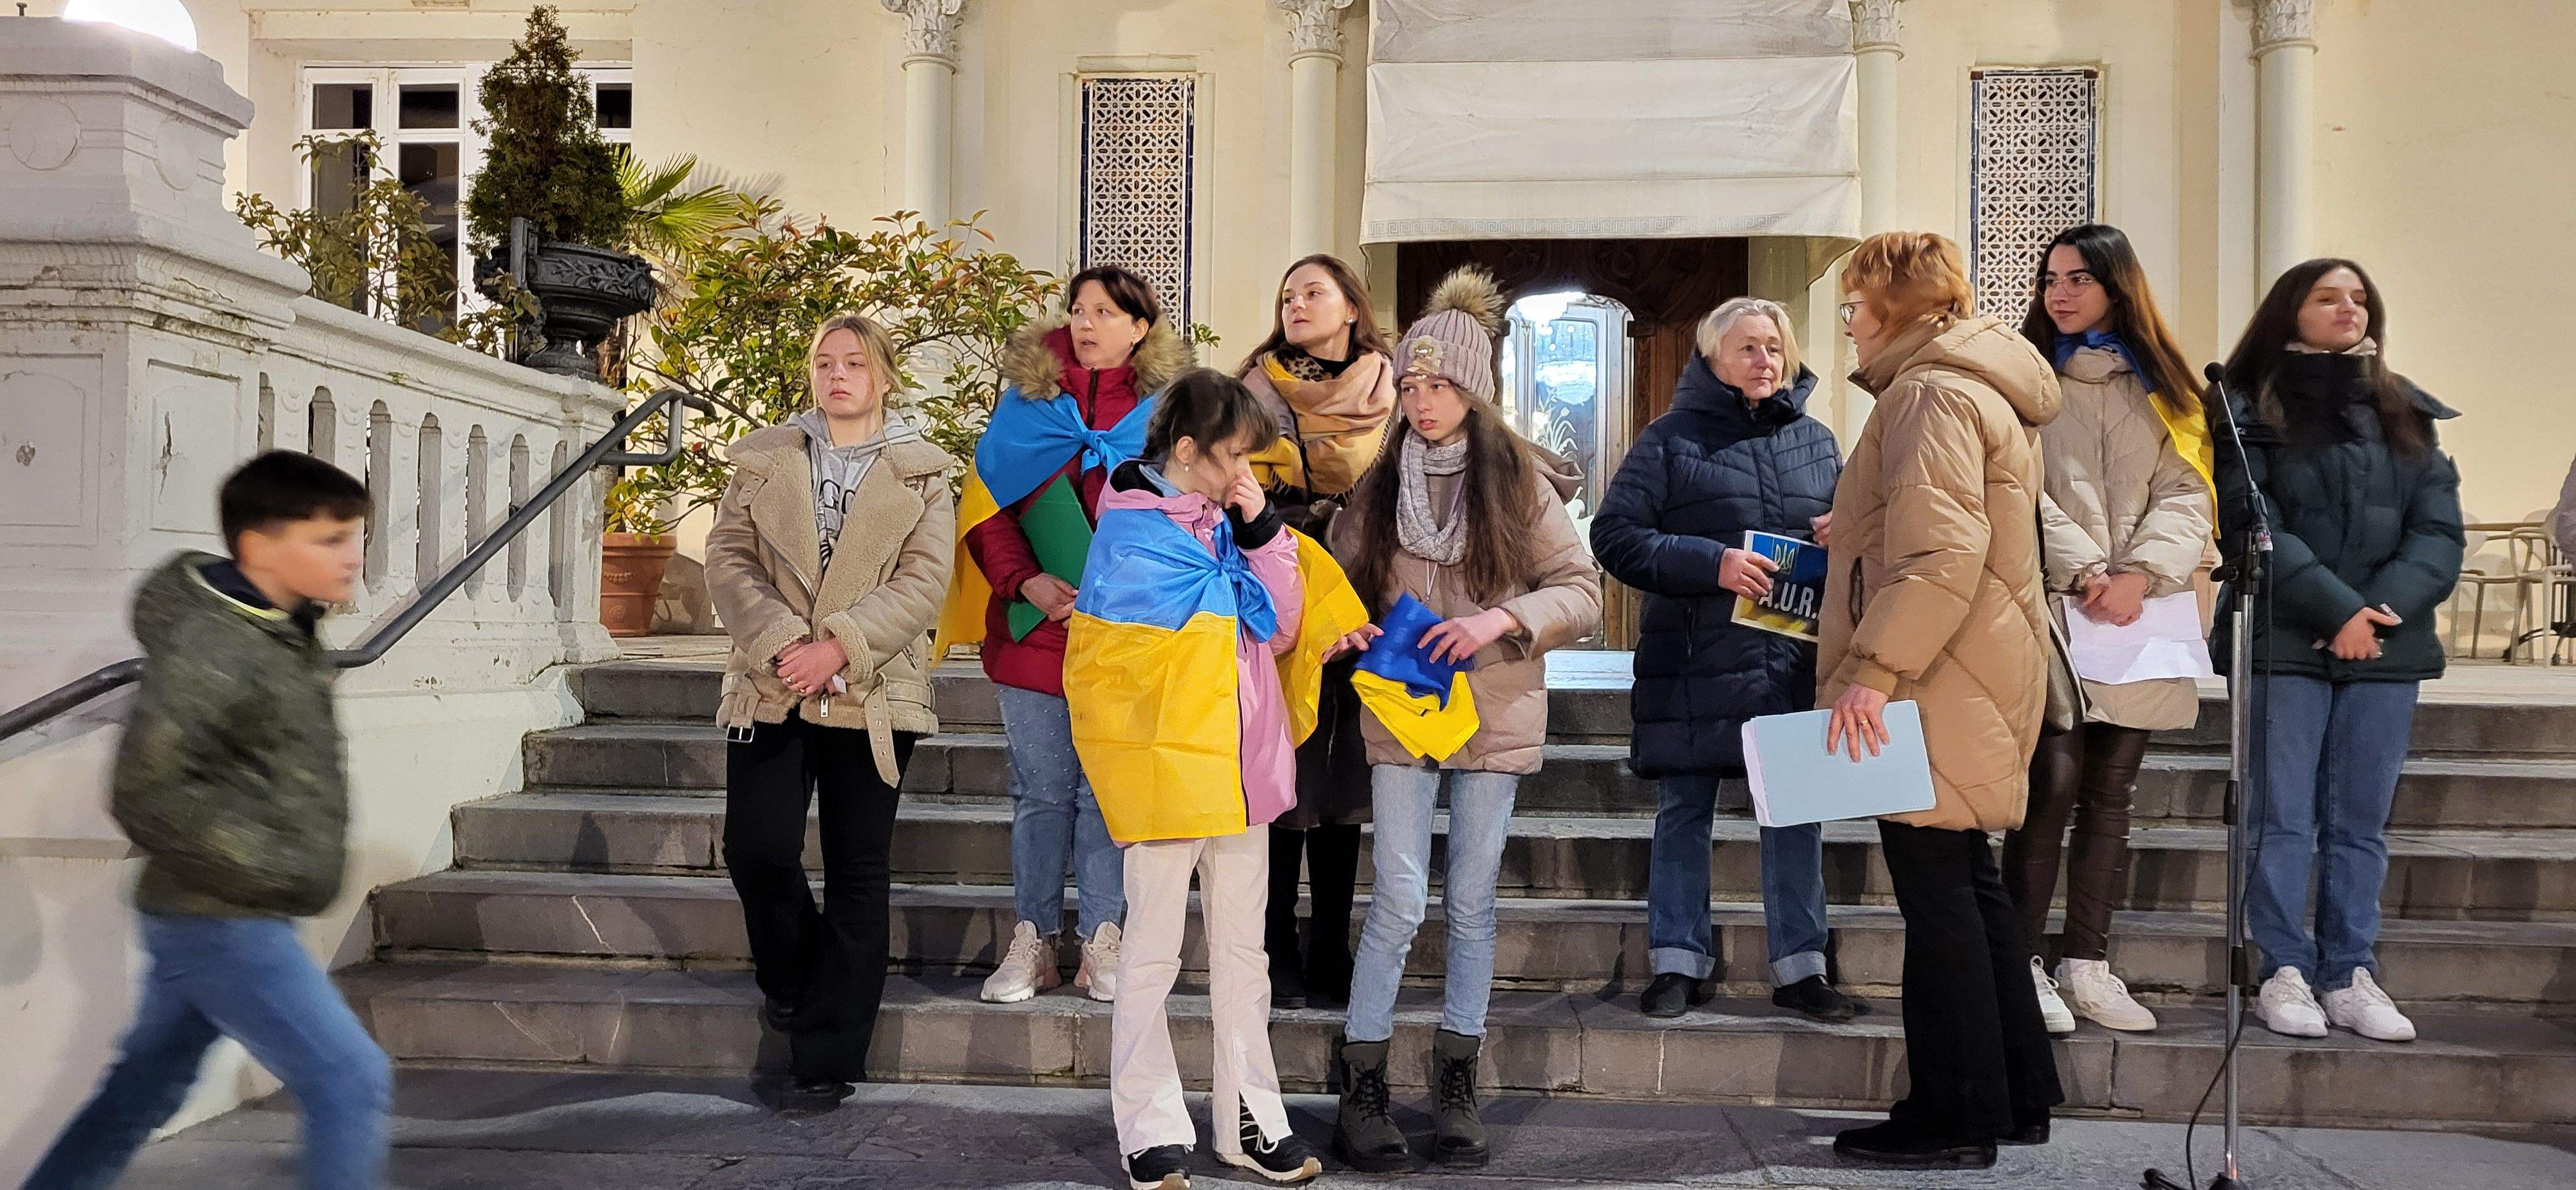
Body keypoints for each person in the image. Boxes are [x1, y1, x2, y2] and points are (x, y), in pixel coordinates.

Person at [25, 452, 390, 1190]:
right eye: (329, 540)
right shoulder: (214, 644)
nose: (353, 557)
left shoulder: (279, 627)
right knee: (350, 1080)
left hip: (206, 909)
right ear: (259, 547)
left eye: (356, 536)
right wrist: (278, 867)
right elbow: (147, 788)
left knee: (138, 1096)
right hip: (224, 917)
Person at [1328, 267, 1603, 1173]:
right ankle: (1361, 1083)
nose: (1422, 400)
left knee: (1474, 902)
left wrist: (1501, 618)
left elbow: (1581, 591)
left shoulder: (1519, 479)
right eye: (1409, 385)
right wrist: (1349, 626)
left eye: (1439, 384)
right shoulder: (1379, 483)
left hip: (1495, 705)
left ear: (1474, 391)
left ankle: (1456, 1080)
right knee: (1400, 898)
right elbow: (1336, 589)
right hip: (1406, 708)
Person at [1818, 231, 2065, 1169]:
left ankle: (1953, 1115)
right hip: (1973, 670)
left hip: (1934, 680)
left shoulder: (1928, 391)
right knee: (1972, 889)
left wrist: (1873, 673)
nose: (1847, 326)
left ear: (1900, 306)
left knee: (1940, 902)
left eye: (1855, 306)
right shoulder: (1975, 385)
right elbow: (1951, 531)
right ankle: (2016, 1094)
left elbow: (1942, 557)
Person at [1066, 369, 1346, 1190]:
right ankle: (1148, 1127)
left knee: (1243, 952)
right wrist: (1249, 558)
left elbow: (1283, 621)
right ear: (1185, 452)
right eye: (1232, 459)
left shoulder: (1228, 522)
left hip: (1238, 762)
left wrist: (1261, 529)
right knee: (1149, 953)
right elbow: (1122, 658)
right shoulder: (1129, 530)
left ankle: (1251, 1122)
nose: (1244, 474)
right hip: (1163, 765)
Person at [703, 311, 956, 1112]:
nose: (838, 375)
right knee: (757, 847)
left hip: (871, 688)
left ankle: (826, 1054)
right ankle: (791, 978)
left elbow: (924, 583)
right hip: (772, 679)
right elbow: (729, 558)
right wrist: (788, 645)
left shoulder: (924, 473)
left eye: (854, 363)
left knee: (857, 871)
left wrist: (839, 646)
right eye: (824, 363)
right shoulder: (763, 460)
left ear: (882, 377)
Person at [1590, 296, 1861, 1023]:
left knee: (1795, 813)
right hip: (1693, 658)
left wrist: (1848, 534)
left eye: (1774, 347)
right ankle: (1676, 961)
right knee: (1684, 809)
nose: (1764, 360)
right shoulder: (1668, 440)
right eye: (1747, 348)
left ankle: (1802, 968)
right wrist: (1711, 564)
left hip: (1788, 659)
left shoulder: (1817, 441)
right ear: (1711, 359)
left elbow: (1849, 550)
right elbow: (1614, 537)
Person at [2217, 258, 2463, 1044]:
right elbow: (2253, 521)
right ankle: (2283, 969)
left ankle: (2348, 972)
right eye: (2328, 297)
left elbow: (2438, 530)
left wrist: (2377, 612)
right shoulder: (2245, 409)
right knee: (2283, 817)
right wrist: (2335, 609)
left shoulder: (2406, 413)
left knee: (2359, 823)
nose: (2347, 308)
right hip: (2287, 639)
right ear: (2290, 313)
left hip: (2386, 645)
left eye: (2358, 298)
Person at [936, 266, 1193, 1005]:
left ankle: (1103, 941)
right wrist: (1027, 583)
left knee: (1107, 794)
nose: (1086, 323)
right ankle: (1034, 941)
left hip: (1125, 633)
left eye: (1105, 312)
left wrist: (1117, 595)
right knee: (1042, 793)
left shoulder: (1164, 412)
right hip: (1034, 631)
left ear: (1140, 327)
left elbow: (1184, 519)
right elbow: (986, 509)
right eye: (1078, 310)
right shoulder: (1026, 402)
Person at [2005, 224, 2216, 1035]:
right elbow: (2017, 486)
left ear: (2117, 287)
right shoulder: (2025, 380)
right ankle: (2020, 960)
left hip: (2142, 614)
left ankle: (2086, 961)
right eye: (2050, 278)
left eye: (2078, 278)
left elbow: (2188, 489)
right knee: (2048, 785)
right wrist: (2092, 571)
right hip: (2054, 609)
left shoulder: (2168, 388)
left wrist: (2139, 576)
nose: (2059, 292)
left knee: (2111, 795)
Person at [1237, 254, 1399, 1009]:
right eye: (1287, 293)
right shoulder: (1255, 388)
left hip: (1368, 608)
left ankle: (1330, 944)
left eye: (1312, 292)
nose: (1295, 303)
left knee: (1344, 788)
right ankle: (1274, 947)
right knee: (1284, 782)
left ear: (1350, 308)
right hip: (1284, 602)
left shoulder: (1395, 388)